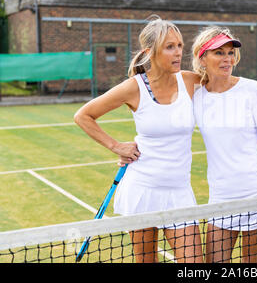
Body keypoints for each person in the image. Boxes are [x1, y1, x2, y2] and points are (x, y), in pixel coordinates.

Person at [74, 16, 203, 263]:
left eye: (179, 46)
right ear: (149, 52)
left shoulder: (189, 80)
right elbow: (83, 115)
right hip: (142, 190)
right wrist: (115, 146)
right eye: (169, 47)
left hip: (180, 192)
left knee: (194, 264)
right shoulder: (134, 87)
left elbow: (228, 89)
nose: (178, 53)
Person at [191, 26, 257, 263]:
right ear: (202, 57)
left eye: (230, 53)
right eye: (219, 53)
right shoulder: (195, 96)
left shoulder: (251, 88)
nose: (227, 59)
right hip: (220, 198)